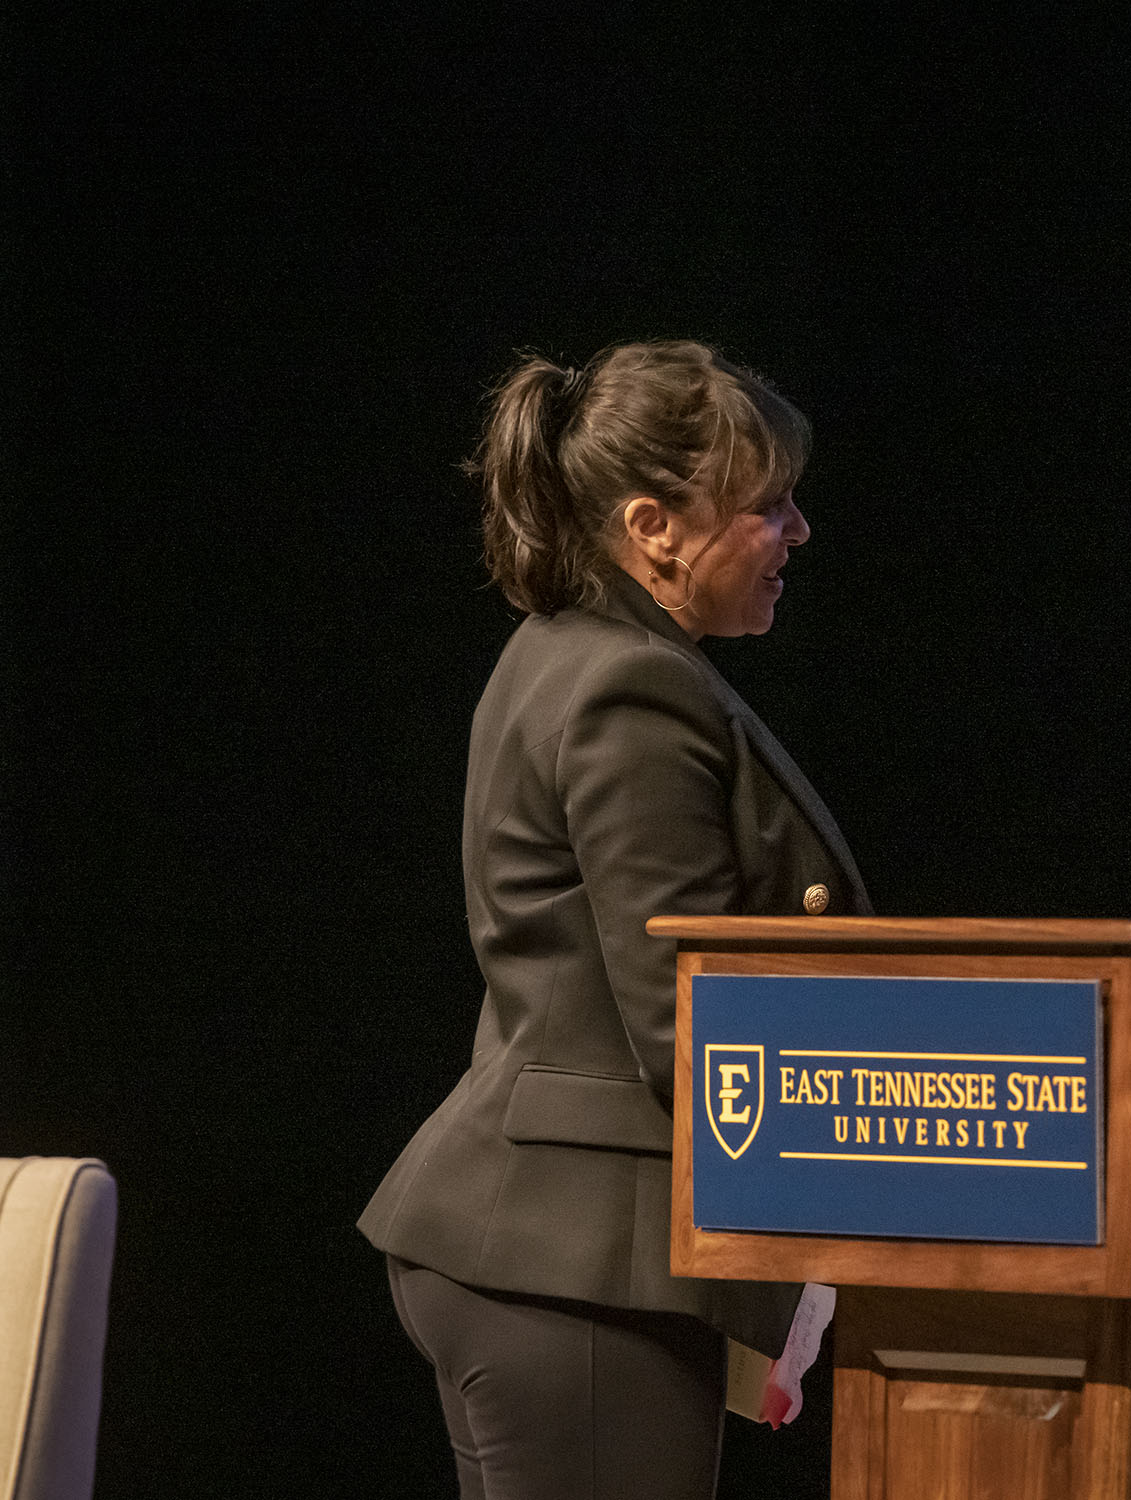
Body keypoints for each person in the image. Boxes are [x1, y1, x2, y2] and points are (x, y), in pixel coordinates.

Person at [358, 340, 870, 1500]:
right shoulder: (629, 686)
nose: (797, 533)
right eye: (769, 506)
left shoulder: (570, 654)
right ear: (655, 528)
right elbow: (690, 1021)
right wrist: (894, 1153)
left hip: (547, 1251)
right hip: (578, 1260)